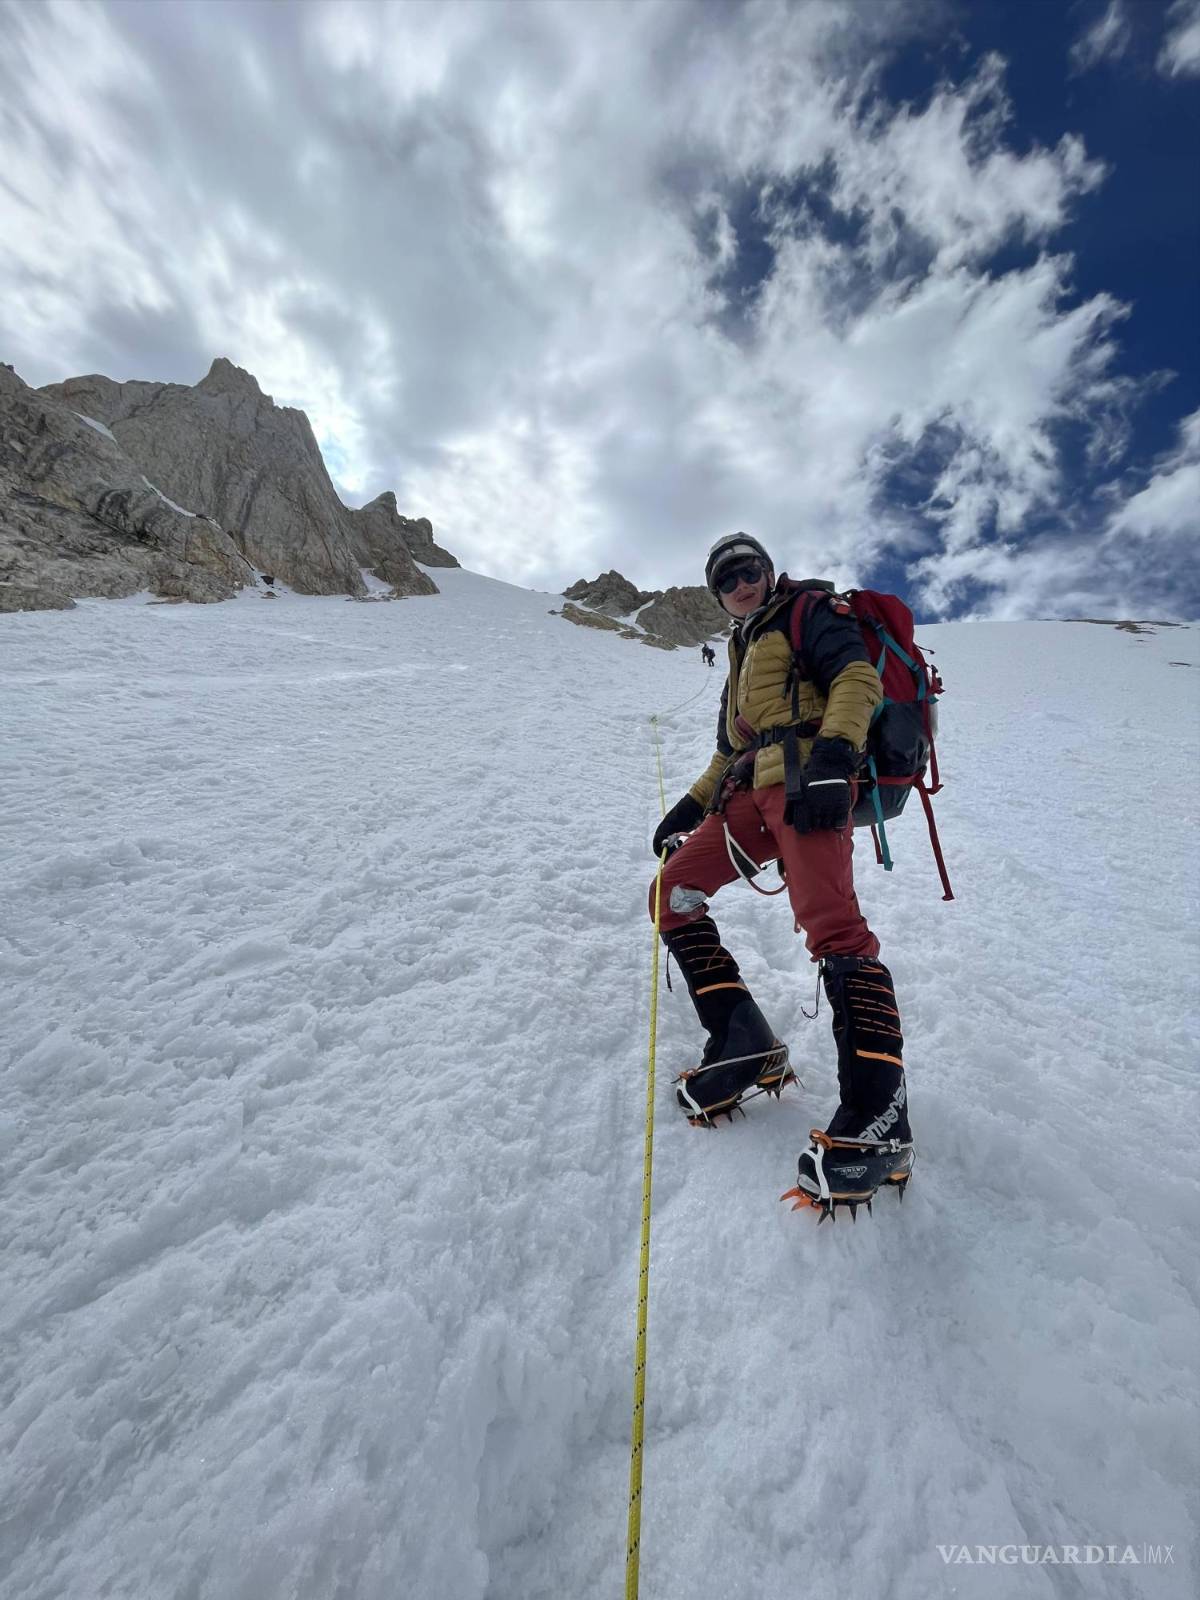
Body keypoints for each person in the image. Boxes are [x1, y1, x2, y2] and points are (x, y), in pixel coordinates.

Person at [649, 532, 913, 1217]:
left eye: (749, 569)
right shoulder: (741, 650)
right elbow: (728, 750)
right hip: (747, 794)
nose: (740, 581)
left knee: (835, 930)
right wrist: (689, 806)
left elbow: (855, 678)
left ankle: (881, 1119)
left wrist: (834, 754)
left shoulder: (807, 612)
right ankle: (745, 1045)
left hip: (807, 784)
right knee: (671, 894)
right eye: (726, 577)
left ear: (768, 573)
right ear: (718, 593)